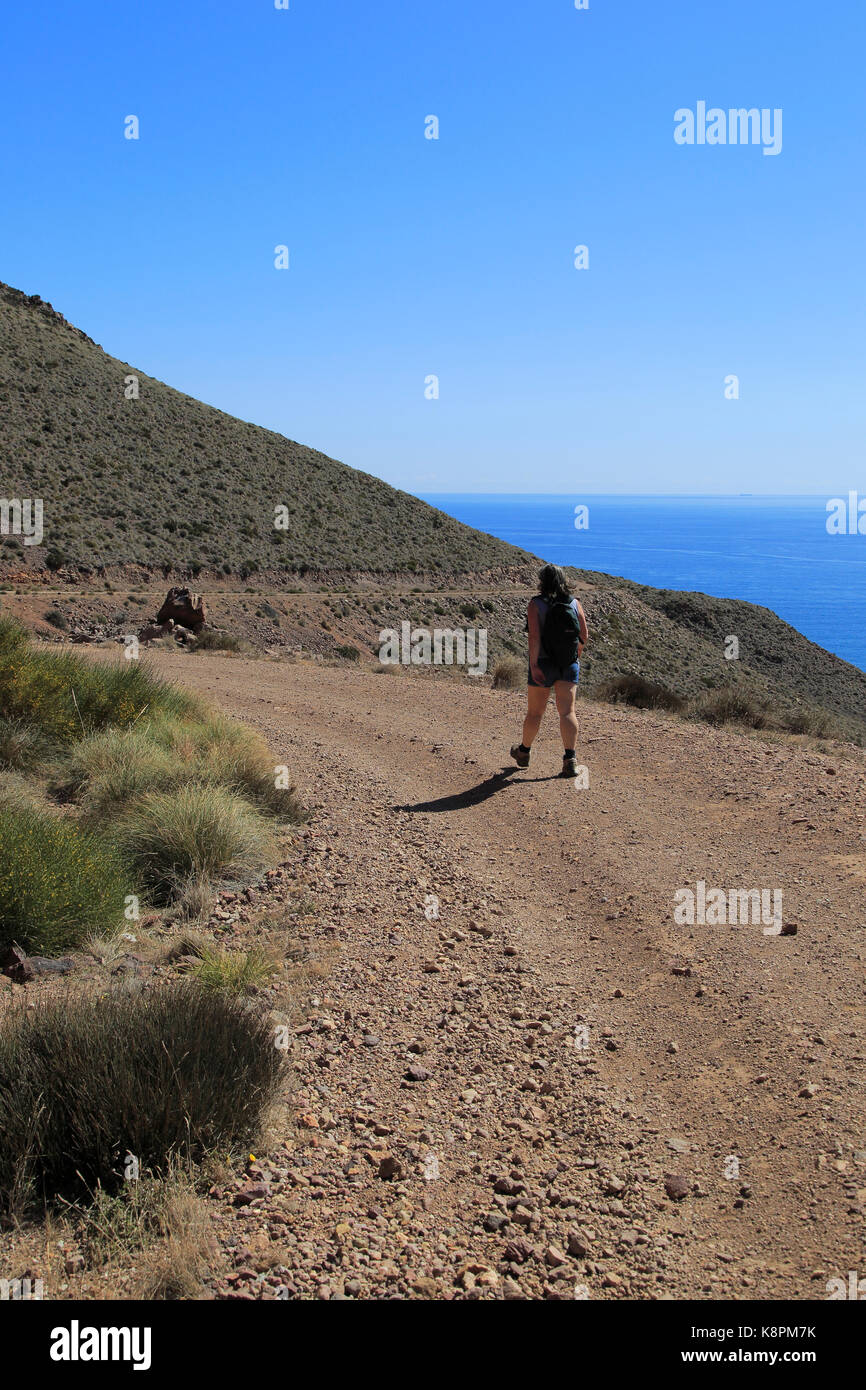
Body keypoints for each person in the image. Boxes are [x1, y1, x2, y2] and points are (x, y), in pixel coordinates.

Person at [510, 564, 588, 778]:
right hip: (568, 664)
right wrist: (576, 655)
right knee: (567, 711)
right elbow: (584, 635)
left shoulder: (536, 604)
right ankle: (570, 759)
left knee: (535, 712)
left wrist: (534, 665)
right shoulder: (574, 603)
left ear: (542, 581)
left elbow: (534, 637)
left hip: (543, 663)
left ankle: (524, 752)